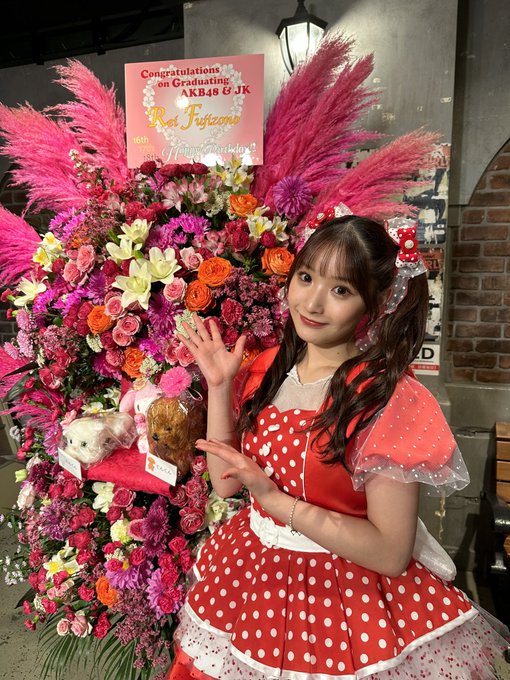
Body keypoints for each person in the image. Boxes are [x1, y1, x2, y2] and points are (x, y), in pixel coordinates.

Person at [167, 213, 509, 680]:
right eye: (307, 277)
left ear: (376, 301)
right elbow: (225, 486)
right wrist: (221, 387)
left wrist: (274, 502)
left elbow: (390, 553)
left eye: (341, 290)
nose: (312, 302)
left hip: (345, 599)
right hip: (254, 576)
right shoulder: (268, 367)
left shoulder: (385, 397)